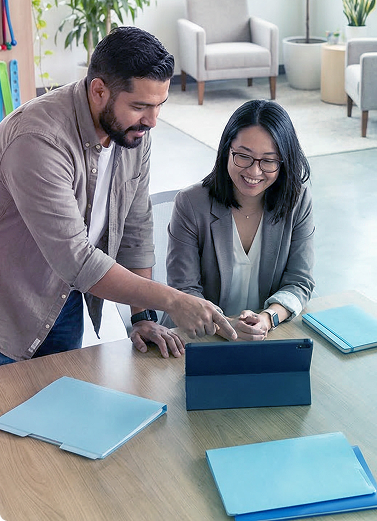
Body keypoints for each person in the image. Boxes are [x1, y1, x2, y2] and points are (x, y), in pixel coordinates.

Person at [0, 26, 235, 365]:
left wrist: (142, 317)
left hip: (64, 297)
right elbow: (77, 259)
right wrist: (173, 301)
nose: (153, 120)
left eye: (159, 105)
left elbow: (136, 225)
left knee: (60, 405)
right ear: (98, 91)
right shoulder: (38, 140)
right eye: (140, 105)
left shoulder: (131, 130)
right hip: (10, 305)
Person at [164, 99, 315, 340]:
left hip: (266, 336)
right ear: (226, 150)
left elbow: (300, 281)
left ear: (284, 162)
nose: (254, 172)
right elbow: (185, 292)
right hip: (199, 336)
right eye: (243, 156)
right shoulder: (191, 204)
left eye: (269, 161)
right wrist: (230, 325)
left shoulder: (297, 200)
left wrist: (267, 318)